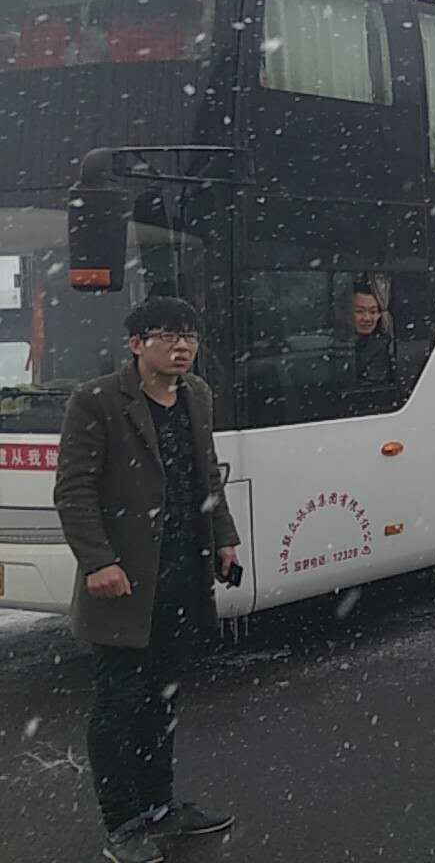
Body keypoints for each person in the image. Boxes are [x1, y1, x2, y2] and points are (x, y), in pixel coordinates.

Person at [52, 297, 240, 863]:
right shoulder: (97, 401)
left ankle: (161, 805)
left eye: (190, 336)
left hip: (183, 573)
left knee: (163, 695)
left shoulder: (197, 395)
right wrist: (98, 561)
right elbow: (74, 491)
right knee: (118, 702)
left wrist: (224, 538)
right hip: (126, 580)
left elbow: (208, 473)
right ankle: (123, 824)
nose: (182, 347)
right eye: (166, 336)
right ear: (136, 344)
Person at [348, 285, 396, 387]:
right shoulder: (335, 339)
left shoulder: (382, 345)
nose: (367, 318)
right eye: (360, 311)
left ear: (380, 314)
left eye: (373, 311)